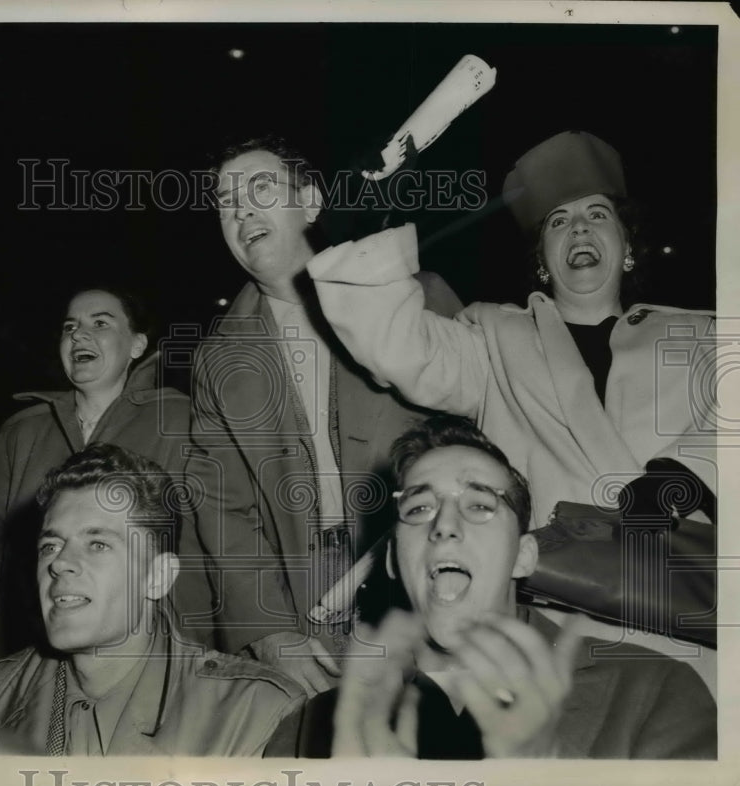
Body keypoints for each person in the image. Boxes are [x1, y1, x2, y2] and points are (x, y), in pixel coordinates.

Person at [306, 130, 716, 531]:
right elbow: (400, 347)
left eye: (597, 214)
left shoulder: (695, 335)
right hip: (548, 588)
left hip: (678, 582)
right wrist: (370, 226)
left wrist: (684, 475)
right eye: (559, 221)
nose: (579, 228)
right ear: (541, 261)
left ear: (628, 247)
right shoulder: (492, 339)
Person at [186, 135, 464, 696]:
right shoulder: (217, 358)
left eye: (260, 188)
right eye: (226, 200)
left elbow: (477, 445)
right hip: (301, 615)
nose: (240, 210)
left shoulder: (414, 301)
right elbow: (221, 505)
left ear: (311, 202)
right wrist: (267, 632)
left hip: (421, 587)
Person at [266, 414, 716, 759]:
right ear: (390, 560)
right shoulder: (314, 726)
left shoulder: (650, 693)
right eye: (419, 508)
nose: (443, 524)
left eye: (479, 504)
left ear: (524, 556)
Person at [0, 286, 211, 661]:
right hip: (35, 649)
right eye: (70, 326)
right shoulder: (22, 432)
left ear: (137, 344)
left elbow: (211, 547)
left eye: (100, 323)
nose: (79, 334)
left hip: (149, 652)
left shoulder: (184, 424)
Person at [0, 444, 305, 756]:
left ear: (157, 576)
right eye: (50, 546)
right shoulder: (2, 693)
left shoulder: (252, 713)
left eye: (97, 544)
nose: (59, 562)